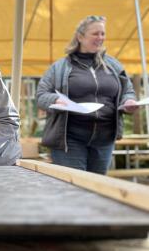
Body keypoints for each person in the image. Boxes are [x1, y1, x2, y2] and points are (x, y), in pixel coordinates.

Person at [36, 15, 138, 175]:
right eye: (95, 34)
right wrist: (56, 100)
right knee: (73, 189)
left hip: (104, 140)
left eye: (103, 34)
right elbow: (41, 95)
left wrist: (129, 101)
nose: (100, 38)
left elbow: (127, 91)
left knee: (97, 188)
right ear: (80, 36)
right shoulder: (59, 67)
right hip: (69, 140)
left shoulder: (114, 66)